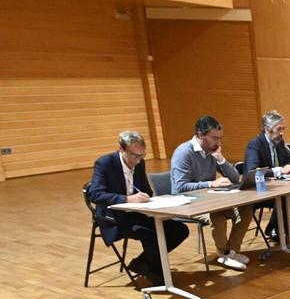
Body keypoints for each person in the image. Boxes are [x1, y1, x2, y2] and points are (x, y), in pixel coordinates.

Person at [88, 130, 189, 285]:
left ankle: (142, 263)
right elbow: (94, 194)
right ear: (121, 149)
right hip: (114, 217)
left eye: (141, 155)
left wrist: (144, 195)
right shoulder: (105, 163)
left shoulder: (139, 163)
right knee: (150, 234)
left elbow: (146, 189)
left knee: (180, 230)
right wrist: (127, 199)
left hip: (136, 213)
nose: (138, 160)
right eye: (134, 156)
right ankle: (158, 275)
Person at [170, 115, 252, 271]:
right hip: (190, 203)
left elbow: (235, 178)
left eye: (220, 138)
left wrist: (220, 159)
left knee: (245, 210)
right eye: (215, 138)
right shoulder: (184, 153)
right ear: (201, 135)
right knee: (217, 216)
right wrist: (210, 183)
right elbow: (179, 188)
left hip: (212, 201)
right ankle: (224, 254)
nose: (218, 142)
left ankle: (231, 252)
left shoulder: (212, 151)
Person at [245, 110, 290, 243]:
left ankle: (285, 226)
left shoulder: (280, 143)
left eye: (283, 129)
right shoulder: (255, 145)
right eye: (278, 129)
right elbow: (253, 171)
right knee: (284, 197)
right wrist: (279, 171)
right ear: (267, 129)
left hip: (278, 186)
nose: (281, 133)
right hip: (259, 190)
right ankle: (274, 228)